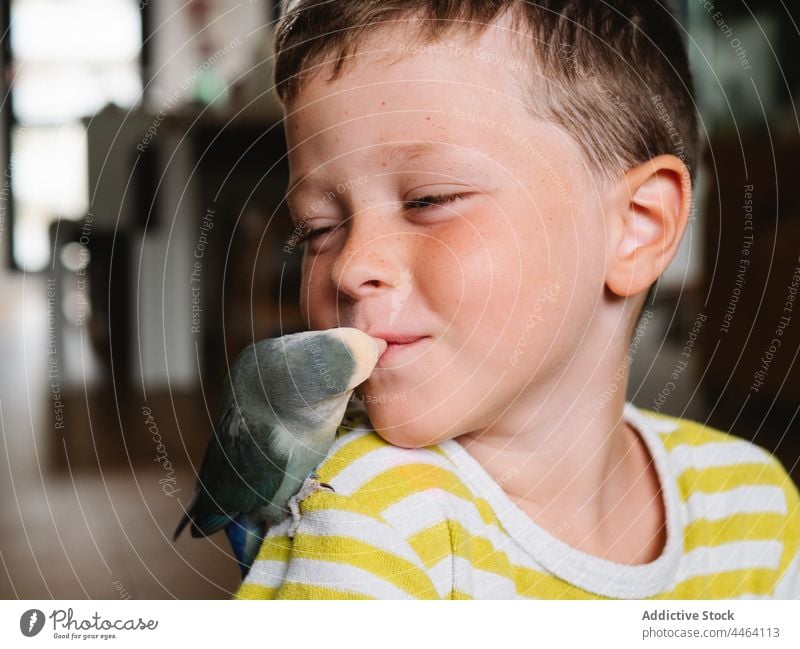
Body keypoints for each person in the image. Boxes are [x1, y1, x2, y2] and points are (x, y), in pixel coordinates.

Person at [234, 0, 799, 599]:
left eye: (430, 199)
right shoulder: (371, 517)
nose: (350, 267)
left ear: (636, 225)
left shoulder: (753, 502)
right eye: (319, 227)